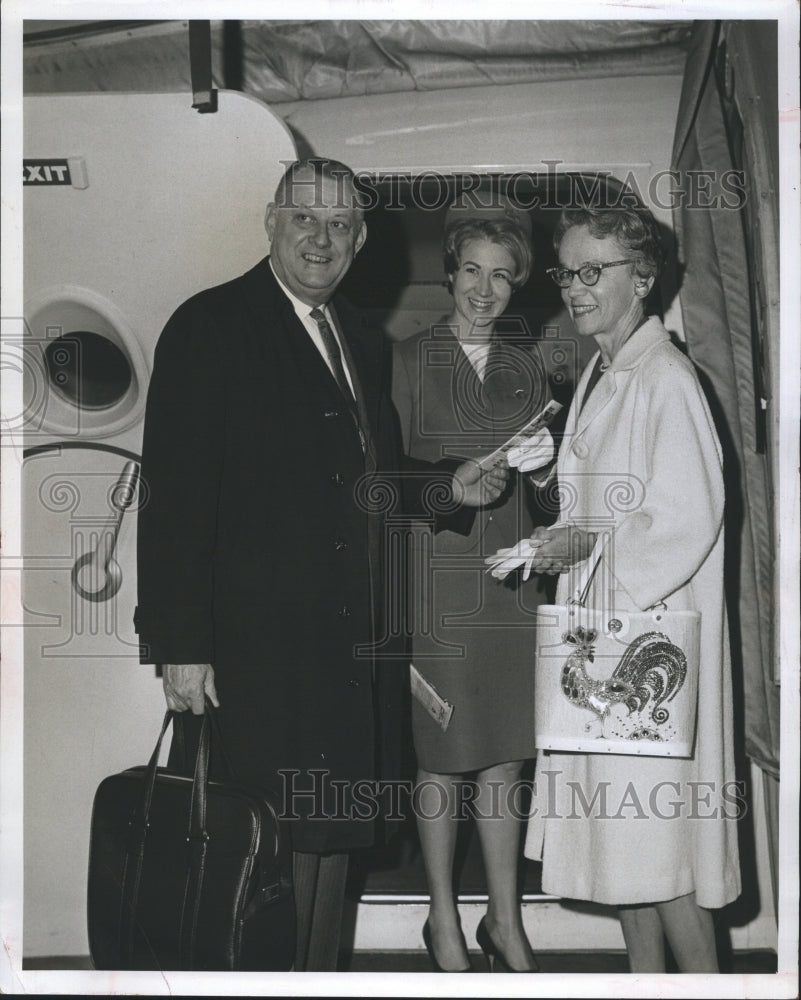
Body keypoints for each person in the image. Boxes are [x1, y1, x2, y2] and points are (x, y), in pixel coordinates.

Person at [134, 157, 510, 972]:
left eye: (340, 224)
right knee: (261, 861)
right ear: (271, 221)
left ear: (360, 239)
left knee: (327, 854)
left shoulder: (354, 335)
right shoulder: (211, 325)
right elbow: (173, 498)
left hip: (343, 654)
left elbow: (365, 476)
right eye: (304, 218)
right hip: (258, 655)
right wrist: (179, 644)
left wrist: (447, 484)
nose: (321, 238)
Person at [512, 203, 741, 972]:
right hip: (603, 639)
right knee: (622, 850)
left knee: (659, 850)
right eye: (565, 272)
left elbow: (683, 517)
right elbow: (603, 506)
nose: (573, 288)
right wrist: (556, 514)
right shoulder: (603, 373)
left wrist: (583, 546)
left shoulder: (665, 378)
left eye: (592, 271)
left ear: (641, 278)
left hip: (644, 649)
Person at [392, 206, 554, 972]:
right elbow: (381, 481)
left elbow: (554, 502)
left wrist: (549, 472)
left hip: (513, 589)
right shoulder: (402, 360)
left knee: (506, 757)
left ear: (517, 284)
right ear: (449, 273)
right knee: (442, 756)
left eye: (501, 275)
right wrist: (448, 485)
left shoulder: (529, 371)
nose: (483, 290)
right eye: (470, 270)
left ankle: (504, 920)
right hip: (438, 588)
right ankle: (442, 919)